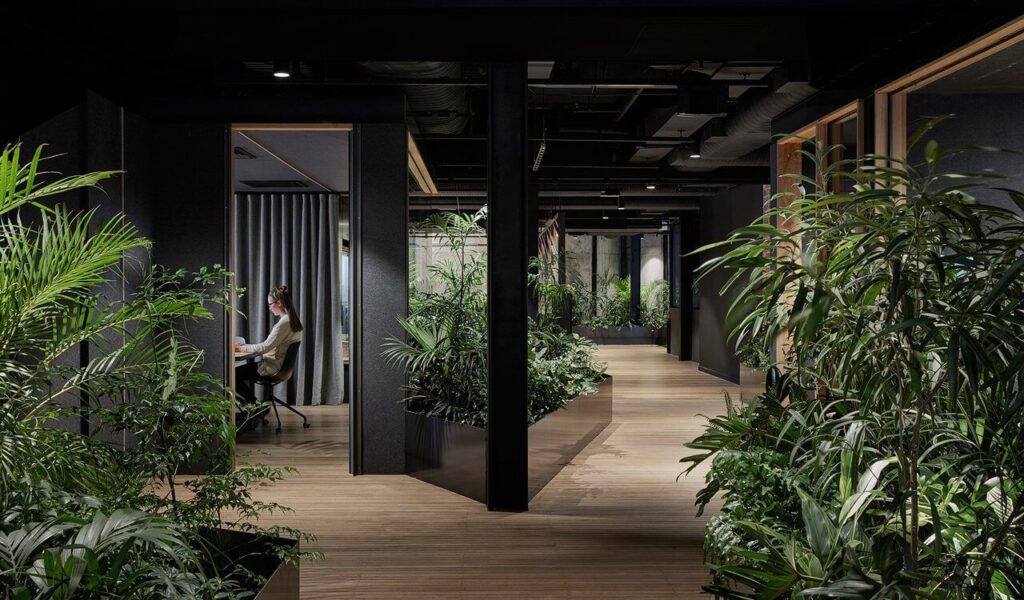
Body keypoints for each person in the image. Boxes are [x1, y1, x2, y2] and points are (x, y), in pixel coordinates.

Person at [235, 285, 303, 405]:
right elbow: (267, 346)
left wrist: (241, 348)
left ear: (279, 303)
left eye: (270, 304)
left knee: (233, 375)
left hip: (272, 367)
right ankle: (255, 407)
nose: (269, 308)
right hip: (282, 368)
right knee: (239, 373)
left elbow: (264, 347)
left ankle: (255, 408)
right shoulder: (292, 320)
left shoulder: (284, 323)